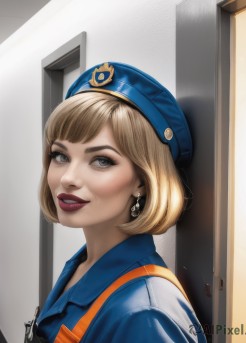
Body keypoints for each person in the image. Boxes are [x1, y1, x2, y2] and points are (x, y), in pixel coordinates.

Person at [25, 62, 207, 342]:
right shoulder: (83, 264)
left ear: (142, 181)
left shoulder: (146, 315)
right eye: (60, 155)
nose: (68, 178)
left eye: (101, 160)